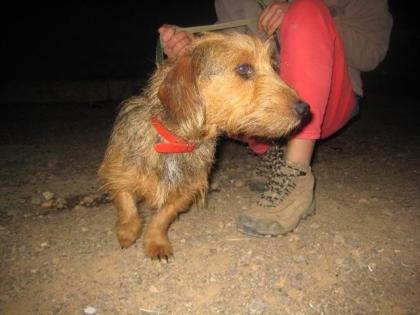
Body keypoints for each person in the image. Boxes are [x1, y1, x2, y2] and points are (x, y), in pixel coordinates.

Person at [158, 0, 393, 237]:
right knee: (219, 79)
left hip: (325, 100)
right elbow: (227, 47)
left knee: (306, 9)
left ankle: (295, 171)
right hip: (268, 100)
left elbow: (372, 53)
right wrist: (193, 47)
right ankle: (270, 150)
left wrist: (297, 17)